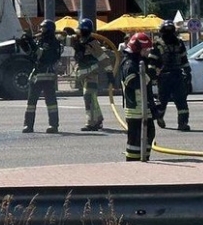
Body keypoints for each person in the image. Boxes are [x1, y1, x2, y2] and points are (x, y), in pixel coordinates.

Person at [17, 19, 63, 133]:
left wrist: (32, 43)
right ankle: (28, 125)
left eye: (43, 28)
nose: (41, 30)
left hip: (47, 76)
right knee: (31, 103)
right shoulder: (40, 41)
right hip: (36, 75)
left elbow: (44, 56)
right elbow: (33, 56)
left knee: (51, 103)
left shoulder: (54, 43)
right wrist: (24, 45)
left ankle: (54, 125)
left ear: (49, 30)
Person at [71, 18, 115, 131]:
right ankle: (98, 119)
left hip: (92, 75)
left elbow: (104, 59)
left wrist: (110, 74)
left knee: (88, 97)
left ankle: (91, 123)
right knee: (92, 98)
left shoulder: (93, 43)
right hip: (82, 75)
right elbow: (64, 40)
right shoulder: (77, 41)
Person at [120, 32, 157, 161]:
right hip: (135, 109)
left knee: (149, 133)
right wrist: (149, 76)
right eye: (146, 50)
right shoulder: (129, 64)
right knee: (135, 140)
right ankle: (133, 162)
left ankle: (144, 158)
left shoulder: (139, 62)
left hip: (144, 107)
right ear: (137, 49)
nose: (148, 53)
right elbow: (133, 83)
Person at [152, 20, 192, 131]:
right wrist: (153, 75)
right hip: (167, 76)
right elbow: (152, 61)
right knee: (165, 100)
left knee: (180, 101)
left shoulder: (178, 43)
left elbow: (184, 58)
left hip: (175, 75)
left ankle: (182, 123)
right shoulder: (159, 44)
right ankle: (160, 116)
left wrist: (188, 72)